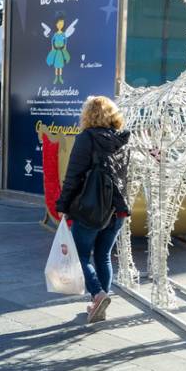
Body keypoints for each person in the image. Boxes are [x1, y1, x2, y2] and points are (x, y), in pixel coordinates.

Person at [55, 96, 131, 324]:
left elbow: (74, 175)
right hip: (117, 209)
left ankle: (98, 295)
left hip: (91, 209)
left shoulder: (86, 138)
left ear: (88, 115)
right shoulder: (123, 139)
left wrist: (62, 205)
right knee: (103, 255)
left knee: (79, 256)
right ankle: (101, 303)